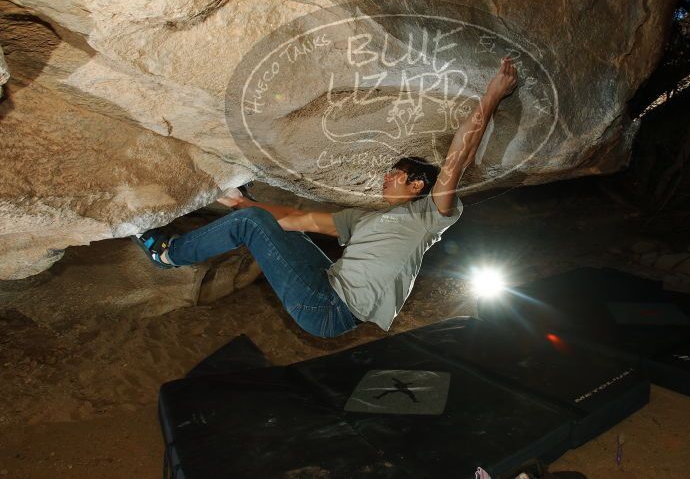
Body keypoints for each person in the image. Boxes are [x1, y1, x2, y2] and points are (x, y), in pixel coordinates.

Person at [133, 57, 518, 338]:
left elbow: (457, 157)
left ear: (417, 185)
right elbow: (298, 219)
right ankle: (236, 211)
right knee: (258, 221)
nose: (386, 178)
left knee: (252, 224)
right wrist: (242, 204)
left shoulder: (429, 215)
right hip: (324, 283)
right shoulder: (363, 220)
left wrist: (492, 96)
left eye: (396, 174)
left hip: (330, 311)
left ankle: (167, 254)